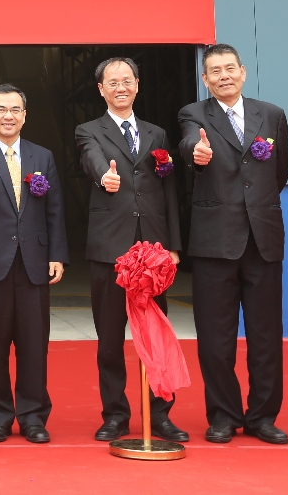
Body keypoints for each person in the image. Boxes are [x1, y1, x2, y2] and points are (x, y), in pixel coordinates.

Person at [178, 44, 288, 445]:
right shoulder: (194, 113)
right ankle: (223, 415)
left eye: (230, 68)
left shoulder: (272, 114)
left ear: (242, 72)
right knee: (215, 338)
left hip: (262, 239)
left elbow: (278, 174)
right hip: (214, 242)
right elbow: (188, 144)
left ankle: (263, 416)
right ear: (205, 79)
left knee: (265, 336)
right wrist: (197, 153)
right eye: (215, 71)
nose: (223, 75)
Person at [75, 58, 186, 444]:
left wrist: (172, 246)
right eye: (112, 82)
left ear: (137, 85)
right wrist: (103, 176)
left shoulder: (157, 133)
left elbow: (168, 189)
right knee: (109, 339)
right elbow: (91, 159)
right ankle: (115, 415)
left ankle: (160, 413)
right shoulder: (89, 130)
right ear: (101, 89)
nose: (120, 88)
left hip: (152, 253)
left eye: (127, 81)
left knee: (156, 335)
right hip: (110, 248)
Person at [0, 83, 66, 444]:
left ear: (25, 115)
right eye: (1, 109)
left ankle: (33, 417)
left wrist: (57, 254)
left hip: (34, 262)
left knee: (35, 344)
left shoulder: (42, 156)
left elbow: (54, 208)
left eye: (15, 109)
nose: (8, 116)